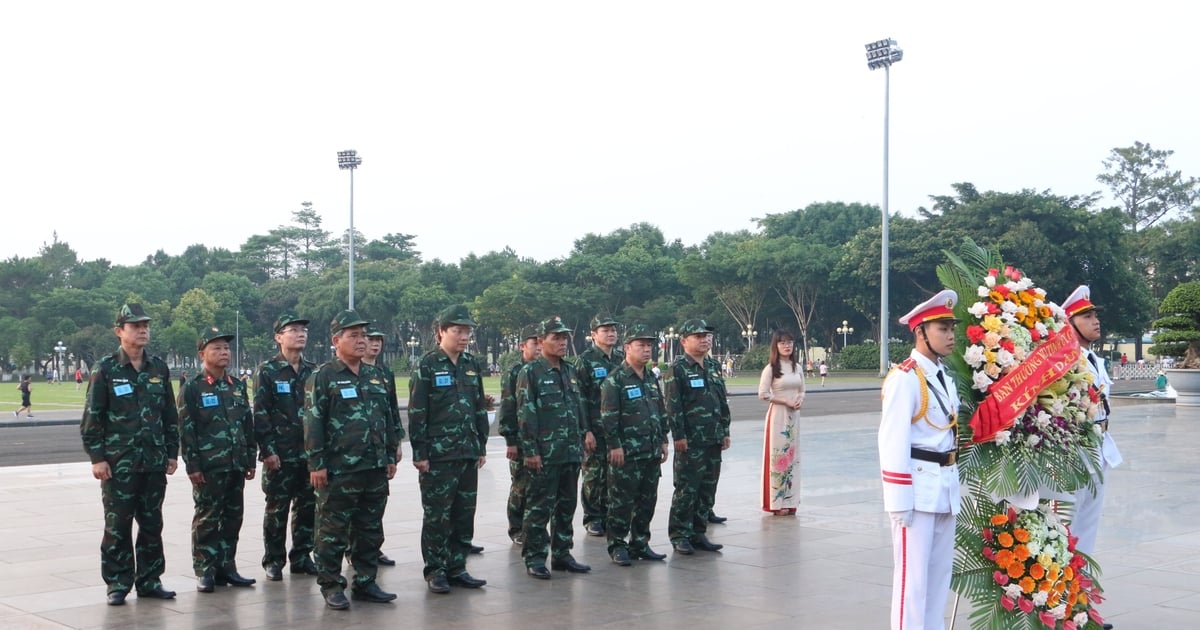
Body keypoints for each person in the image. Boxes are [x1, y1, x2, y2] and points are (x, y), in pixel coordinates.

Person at [79, 303, 179, 606]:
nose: (143, 330)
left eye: (145, 325)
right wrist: (97, 457)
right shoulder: (106, 369)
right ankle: (118, 582)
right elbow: (92, 418)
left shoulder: (158, 368)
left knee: (152, 524)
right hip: (118, 463)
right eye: (135, 326)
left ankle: (149, 580)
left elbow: (169, 415)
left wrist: (172, 452)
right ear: (119, 331)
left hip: (153, 462)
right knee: (118, 525)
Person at [304, 310, 400, 610]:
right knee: (332, 531)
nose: (362, 341)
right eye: (354, 335)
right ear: (336, 341)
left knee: (370, 529)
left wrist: (389, 455)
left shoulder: (376, 376)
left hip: (373, 467)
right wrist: (316, 464)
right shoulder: (323, 376)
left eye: (364, 335)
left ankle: (366, 582)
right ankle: (331, 584)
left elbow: (386, 418)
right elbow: (313, 423)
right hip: (338, 470)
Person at [878, 289, 962, 630]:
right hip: (917, 489)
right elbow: (891, 440)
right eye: (943, 328)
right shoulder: (905, 377)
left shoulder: (943, 376)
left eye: (952, 327)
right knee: (911, 583)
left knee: (938, 578)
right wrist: (899, 501)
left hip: (943, 487)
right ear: (920, 332)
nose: (951, 335)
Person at [407, 305, 489, 594]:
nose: (464, 336)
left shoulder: (471, 364)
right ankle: (436, 570)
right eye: (458, 330)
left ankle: (457, 567)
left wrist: (481, 444)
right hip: (439, 455)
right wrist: (421, 452)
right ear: (441, 331)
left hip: (467, 451)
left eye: (467, 331)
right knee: (437, 516)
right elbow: (418, 412)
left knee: (464, 514)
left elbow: (479, 405)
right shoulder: (428, 365)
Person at [178, 327, 258, 593]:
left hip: (235, 463)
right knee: (208, 518)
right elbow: (186, 430)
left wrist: (249, 458)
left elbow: (247, 423)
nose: (224, 353)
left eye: (226, 348)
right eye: (217, 348)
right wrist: (193, 465)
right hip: (210, 466)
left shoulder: (236, 385)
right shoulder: (193, 387)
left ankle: (227, 566)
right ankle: (205, 570)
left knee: (233, 517)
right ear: (202, 354)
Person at [515, 316, 591, 579]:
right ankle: (535, 557)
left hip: (570, 451)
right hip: (544, 454)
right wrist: (531, 451)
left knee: (566, 506)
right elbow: (526, 415)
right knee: (538, 507)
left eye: (564, 338)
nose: (561, 342)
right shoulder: (531, 372)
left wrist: (583, 438)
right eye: (555, 338)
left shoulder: (569, 370)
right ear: (540, 341)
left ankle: (562, 553)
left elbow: (578, 407)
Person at [253, 312, 318, 581]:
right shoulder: (267, 371)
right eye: (293, 330)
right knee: (277, 509)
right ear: (278, 337)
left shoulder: (313, 370)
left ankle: (302, 556)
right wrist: (267, 450)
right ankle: (273, 559)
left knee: (307, 507)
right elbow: (261, 413)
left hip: (309, 454)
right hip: (280, 453)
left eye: (303, 330)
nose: (300, 334)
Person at [600, 324, 670, 566]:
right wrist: (614, 446)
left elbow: (659, 411)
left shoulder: (651, 377)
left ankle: (640, 542)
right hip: (627, 453)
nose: (646, 349)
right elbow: (609, 417)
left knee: (647, 500)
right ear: (627, 348)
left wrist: (663, 440)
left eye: (649, 345)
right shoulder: (616, 379)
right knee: (621, 501)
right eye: (641, 345)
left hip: (650, 450)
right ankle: (617, 545)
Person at [1062, 286, 1123, 557]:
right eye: (1086, 316)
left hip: (1099, 445)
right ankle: (1062, 586)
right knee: (1069, 520)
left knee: (1089, 521)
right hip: (1076, 448)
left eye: (1095, 314)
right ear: (1070, 323)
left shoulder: (1094, 359)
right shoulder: (1066, 361)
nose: (1095, 320)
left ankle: (1080, 586)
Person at [664, 319, 730, 555]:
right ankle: (680, 534)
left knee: (707, 488)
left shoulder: (712, 365)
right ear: (684, 341)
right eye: (698, 336)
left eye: (706, 336)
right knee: (686, 489)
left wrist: (725, 430)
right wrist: (679, 436)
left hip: (712, 438)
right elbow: (674, 406)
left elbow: (721, 400)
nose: (704, 340)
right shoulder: (678, 368)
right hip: (691, 441)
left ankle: (699, 532)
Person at [576, 313, 624, 538]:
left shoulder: (621, 359)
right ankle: (593, 517)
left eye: (613, 329)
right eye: (605, 330)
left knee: (615, 474)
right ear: (594, 335)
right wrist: (585, 430)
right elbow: (580, 399)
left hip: (617, 428)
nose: (611, 333)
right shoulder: (585, 361)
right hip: (595, 428)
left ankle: (610, 514)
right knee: (594, 475)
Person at [363, 322, 405, 567]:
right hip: (355, 453)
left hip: (380, 448)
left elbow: (391, 411)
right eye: (371, 339)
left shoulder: (384, 374)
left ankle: (374, 548)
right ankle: (355, 549)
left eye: (379, 340)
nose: (375, 343)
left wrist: (396, 442)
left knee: (377, 503)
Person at [498, 324, 540, 545]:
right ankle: (517, 528)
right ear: (523, 346)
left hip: (542, 440)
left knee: (540, 487)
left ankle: (534, 527)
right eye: (535, 343)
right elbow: (508, 406)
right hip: (521, 440)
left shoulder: (545, 370)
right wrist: (511, 440)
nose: (539, 348)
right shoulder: (515, 371)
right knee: (521, 485)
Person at [757, 330, 805, 515]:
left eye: (790, 342)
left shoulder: (797, 367)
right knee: (778, 458)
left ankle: (791, 500)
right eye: (782, 343)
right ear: (775, 346)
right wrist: (785, 401)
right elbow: (763, 394)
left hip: (795, 416)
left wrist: (799, 400)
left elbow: (802, 390)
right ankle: (775, 503)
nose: (787, 346)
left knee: (792, 458)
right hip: (778, 415)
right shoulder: (771, 368)